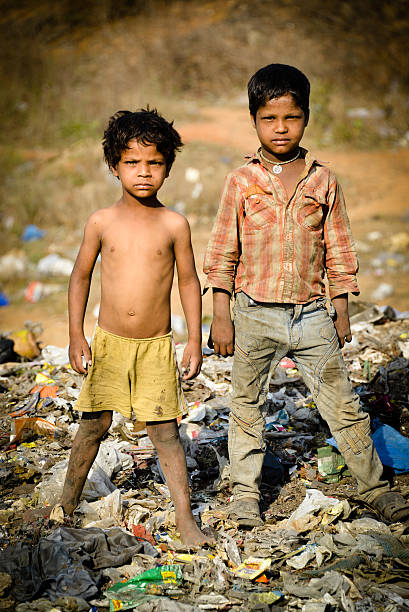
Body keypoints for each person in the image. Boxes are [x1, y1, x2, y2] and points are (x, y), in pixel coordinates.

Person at [204, 63, 409, 528]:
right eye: (269, 118)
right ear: (254, 119)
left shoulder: (324, 182)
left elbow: (338, 248)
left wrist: (342, 310)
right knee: (246, 407)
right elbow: (222, 251)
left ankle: (376, 488)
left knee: (343, 404)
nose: (280, 128)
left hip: (312, 313)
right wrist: (221, 315)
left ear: (307, 118)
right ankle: (244, 498)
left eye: (291, 118)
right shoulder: (241, 182)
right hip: (253, 313)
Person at [62, 108, 209, 545]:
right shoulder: (101, 222)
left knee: (165, 432)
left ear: (168, 167)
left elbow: (188, 281)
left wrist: (194, 341)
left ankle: (185, 519)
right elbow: (80, 276)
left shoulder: (173, 224)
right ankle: (66, 505)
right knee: (93, 424)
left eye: (154, 163)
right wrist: (76, 335)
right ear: (114, 166)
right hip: (108, 344)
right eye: (132, 162)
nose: (143, 172)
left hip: (155, 347)